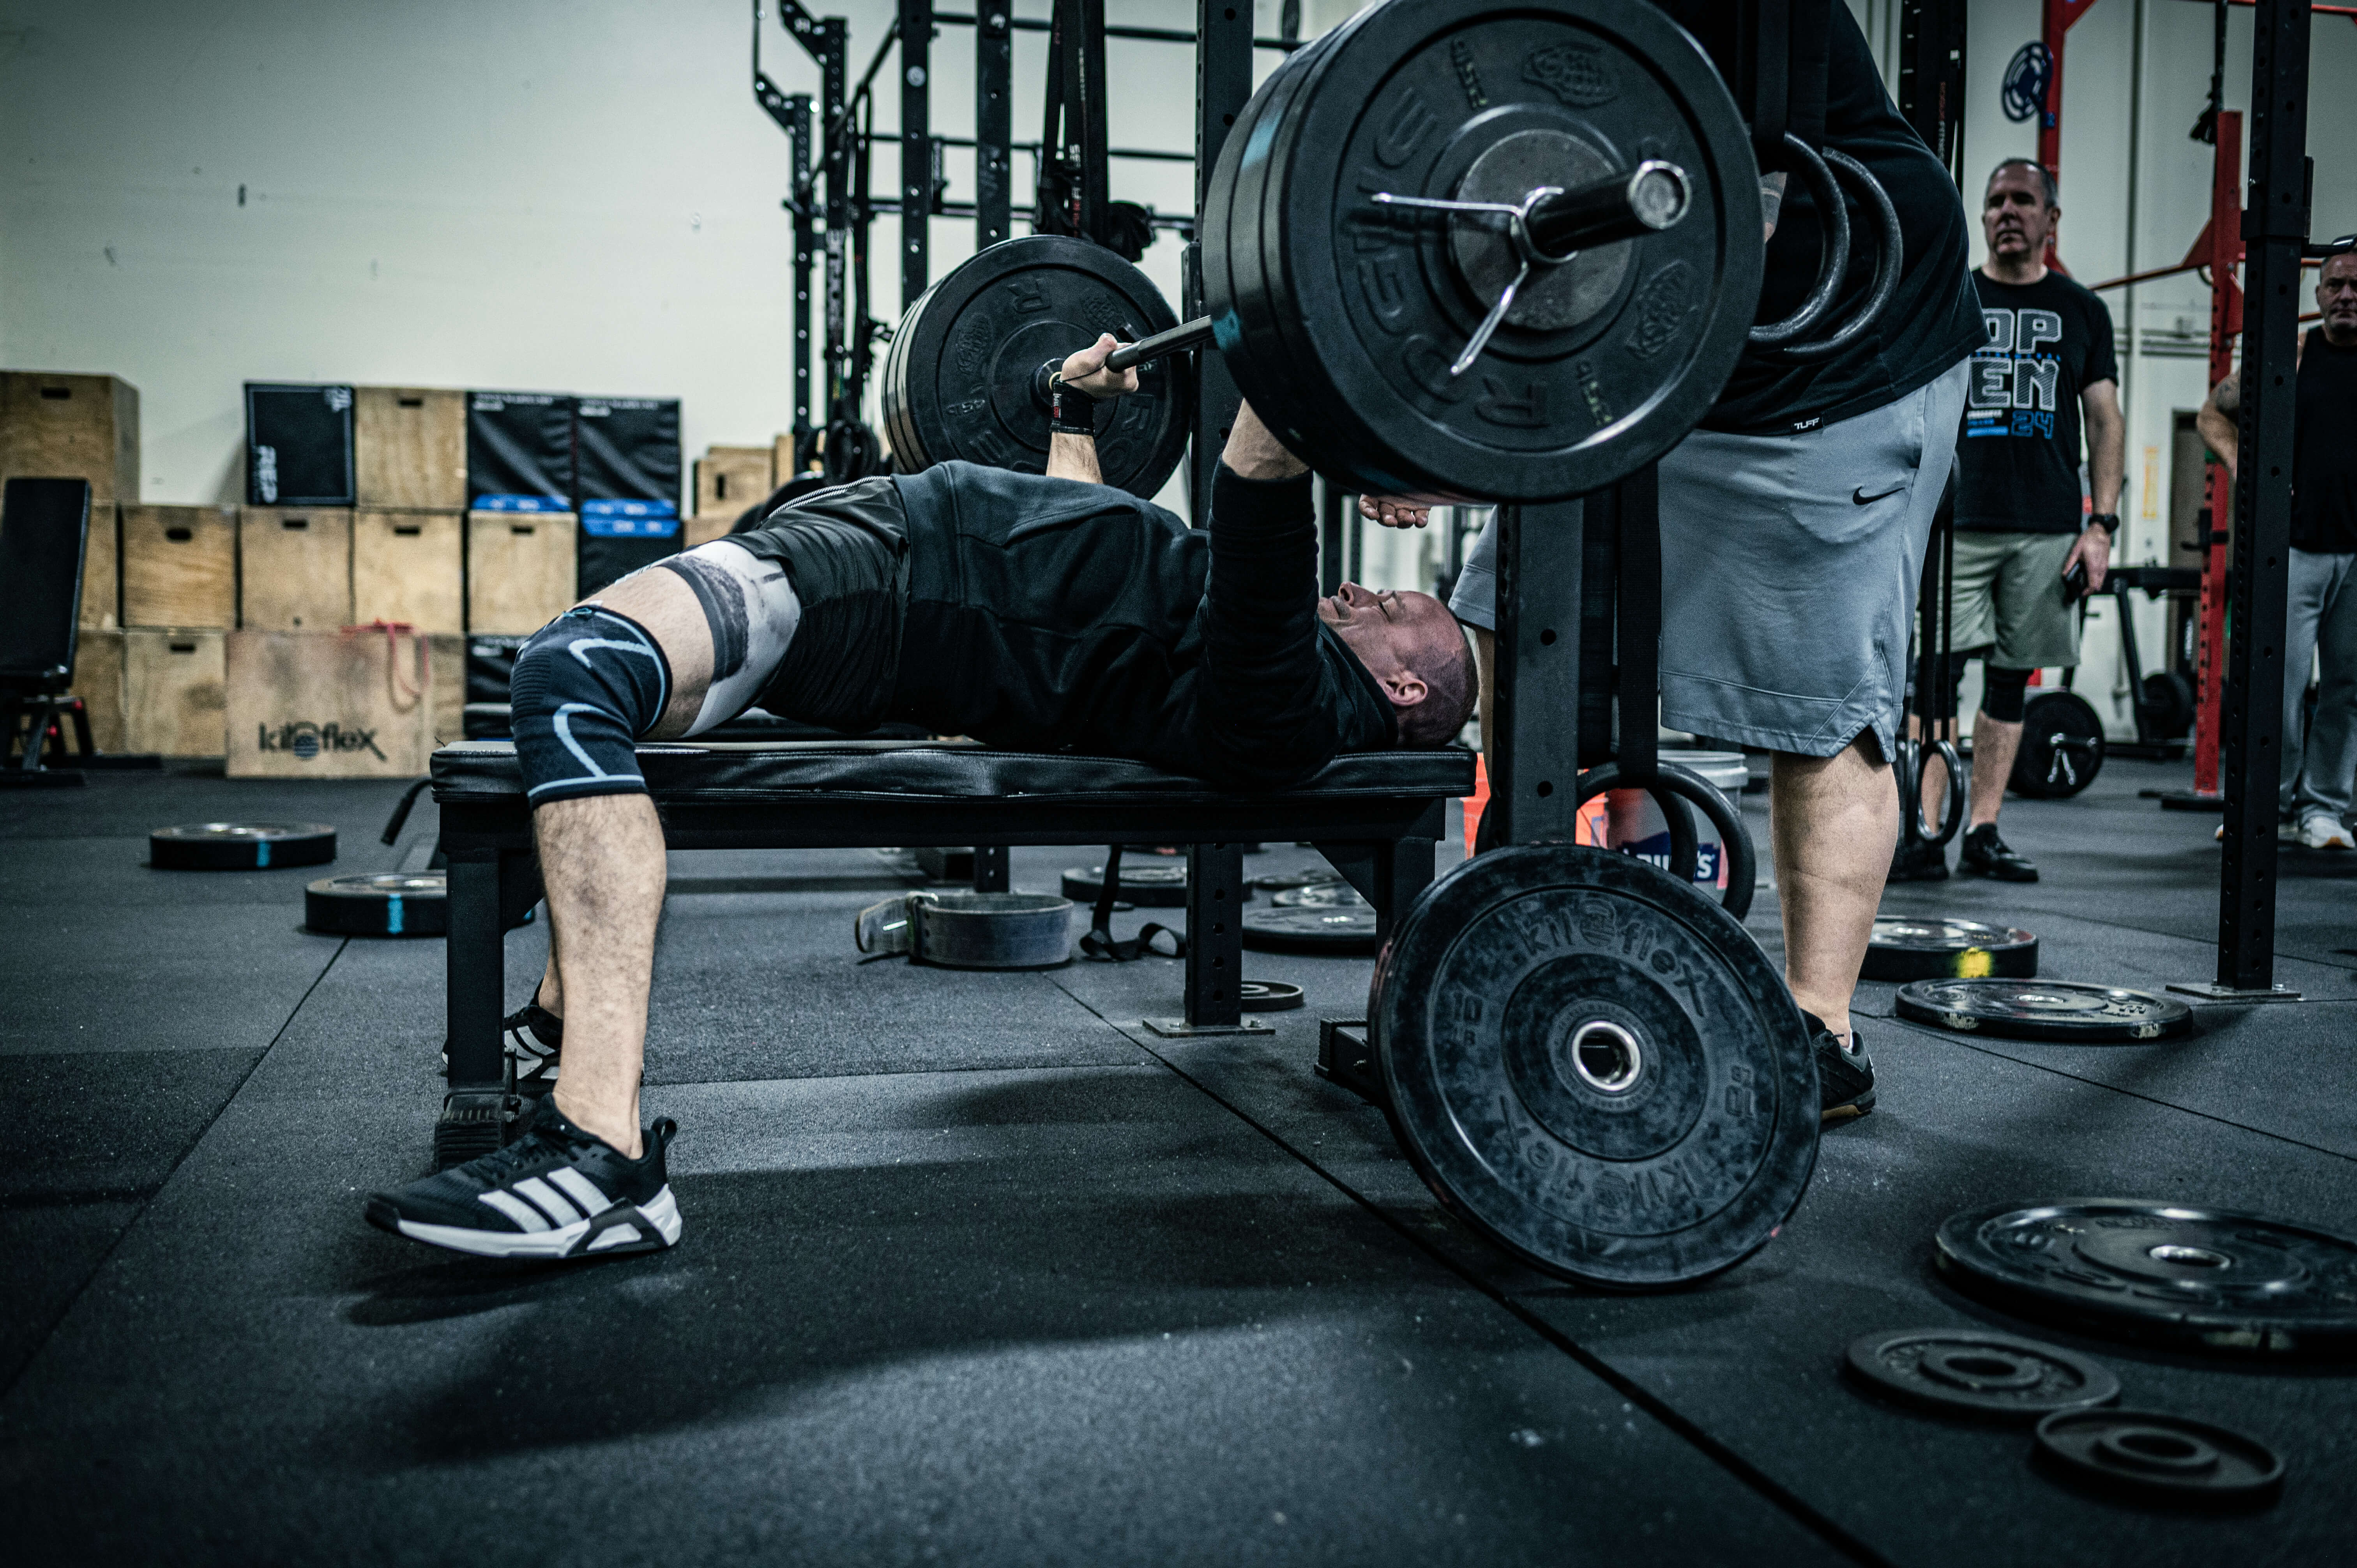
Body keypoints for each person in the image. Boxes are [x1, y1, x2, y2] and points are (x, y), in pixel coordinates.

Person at [366, 335, 1477, 1261]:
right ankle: (571, 1011)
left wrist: (1321, 386)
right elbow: (1078, 548)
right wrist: (1075, 413)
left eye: (1390, 608)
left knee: (571, 678)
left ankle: (599, 1146)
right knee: (591, 700)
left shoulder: (1290, 703)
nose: (1364, 589)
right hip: (882, 554)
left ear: (1407, 684)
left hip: (885, 578)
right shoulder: (1248, 664)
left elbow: (1260, 498)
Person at [1434, 2, 1981, 1121]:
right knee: (1510, 598)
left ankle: (1818, 1032)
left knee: (1821, 700)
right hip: (1658, 348)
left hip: (1838, 353)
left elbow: (1738, 199)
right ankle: (1550, 909)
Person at [1892, 158, 2126, 883]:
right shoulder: (1950, 293)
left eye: (2024, 200)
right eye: (1996, 201)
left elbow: (2105, 420)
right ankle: (1928, 830)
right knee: (1935, 676)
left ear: (2051, 219)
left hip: (2048, 522)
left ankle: (1984, 830)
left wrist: (2103, 525)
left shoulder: (2083, 309)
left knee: (2009, 680)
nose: (2007, 212)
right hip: (1956, 521)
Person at [2197, 245, 2357, 851]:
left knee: (2348, 690)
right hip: (2295, 550)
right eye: (2336, 286)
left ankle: (2324, 810)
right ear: (2318, 296)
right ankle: (2265, 804)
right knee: (2277, 686)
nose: (2347, 297)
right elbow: (2212, 415)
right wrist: (2241, 463)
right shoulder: (2291, 353)